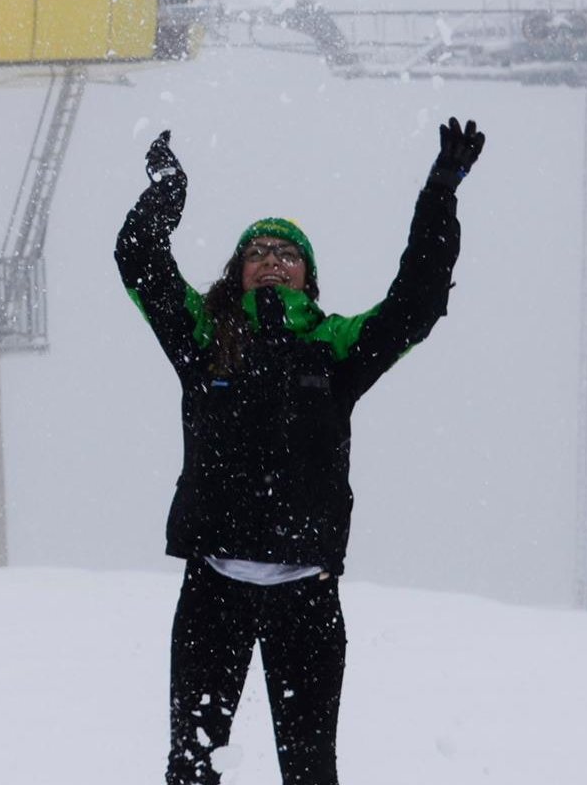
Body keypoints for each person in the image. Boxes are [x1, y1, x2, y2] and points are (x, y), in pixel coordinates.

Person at [114, 118, 486, 785]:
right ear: (239, 270)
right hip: (213, 590)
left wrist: (439, 196)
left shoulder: (335, 347)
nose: (273, 259)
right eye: (258, 251)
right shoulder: (203, 336)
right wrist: (168, 191)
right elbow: (138, 257)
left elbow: (416, 305)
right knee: (191, 766)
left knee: (310, 771)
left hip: (306, 598)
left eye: (288, 254)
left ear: (308, 278)